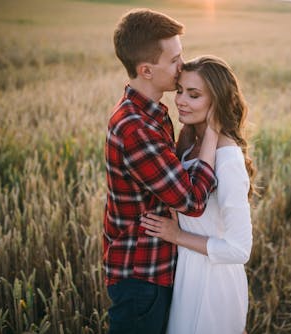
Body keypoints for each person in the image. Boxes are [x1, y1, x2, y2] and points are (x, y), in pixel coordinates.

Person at [104, 10, 220, 334]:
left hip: (151, 268)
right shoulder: (136, 129)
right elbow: (193, 200)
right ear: (146, 70)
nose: (182, 66)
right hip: (142, 275)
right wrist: (212, 131)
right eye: (174, 60)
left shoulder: (150, 113)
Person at [140, 55, 255, 334]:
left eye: (194, 95)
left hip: (212, 284)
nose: (180, 100)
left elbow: (240, 250)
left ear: (217, 101)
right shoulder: (191, 143)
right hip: (187, 272)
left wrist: (177, 235)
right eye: (180, 90)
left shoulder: (227, 159)